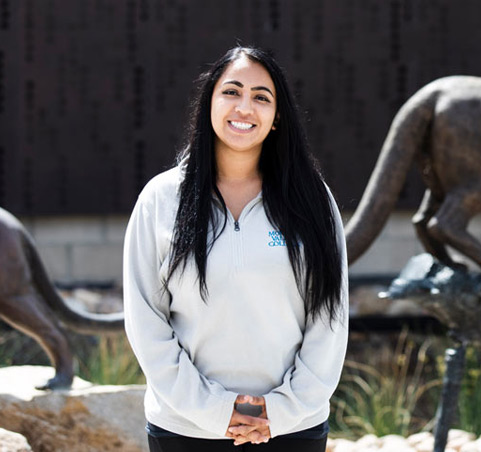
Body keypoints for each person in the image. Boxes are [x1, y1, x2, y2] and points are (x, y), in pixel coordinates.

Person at [123, 46, 348, 452]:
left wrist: (279, 411)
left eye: (262, 97)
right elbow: (146, 323)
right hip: (185, 428)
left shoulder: (312, 199)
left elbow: (330, 317)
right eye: (232, 91)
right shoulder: (161, 199)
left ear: (277, 117)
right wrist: (216, 410)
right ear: (210, 101)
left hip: (292, 429)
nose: (245, 107)